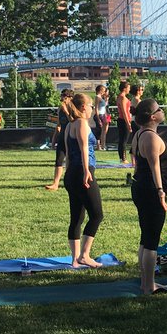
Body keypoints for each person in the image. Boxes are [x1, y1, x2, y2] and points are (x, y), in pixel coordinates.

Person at [130, 97, 167, 294]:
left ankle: (145, 282)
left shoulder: (139, 134)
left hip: (140, 188)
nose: (162, 110)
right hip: (150, 190)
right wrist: (161, 194)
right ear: (154, 116)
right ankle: (149, 285)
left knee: (146, 237)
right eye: (160, 108)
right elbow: (155, 168)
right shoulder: (151, 138)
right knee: (151, 240)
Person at [61, 92, 104, 268]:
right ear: (83, 107)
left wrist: (69, 173)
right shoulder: (81, 123)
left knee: (77, 217)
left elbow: (68, 154)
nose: (93, 109)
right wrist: (87, 171)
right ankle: (84, 255)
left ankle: (75, 259)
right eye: (92, 106)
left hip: (72, 173)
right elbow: (84, 148)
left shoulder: (69, 125)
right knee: (97, 215)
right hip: (82, 172)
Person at [44, 88, 74, 191]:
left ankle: (71, 182)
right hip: (62, 137)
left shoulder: (73, 108)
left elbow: (73, 121)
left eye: (65, 97)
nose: (63, 100)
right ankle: (55, 184)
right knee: (59, 160)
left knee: (70, 161)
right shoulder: (60, 109)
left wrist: (66, 111)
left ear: (70, 98)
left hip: (71, 137)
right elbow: (58, 125)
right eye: (62, 97)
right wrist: (53, 140)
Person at [115, 81, 132, 164]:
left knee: (123, 139)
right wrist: (128, 123)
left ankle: (122, 157)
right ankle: (123, 158)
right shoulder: (122, 97)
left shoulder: (122, 97)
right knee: (123, 140)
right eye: (128, 88)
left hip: (124, 120)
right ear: (125, 88)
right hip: (123, 120)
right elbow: (124, 111)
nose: (129, 89)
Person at [95, 84, 111, 151]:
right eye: (103, 90)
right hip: (100, 115)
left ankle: (103, 145)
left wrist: (106, 99)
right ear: (100, 90)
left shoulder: (101, 97)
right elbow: (96, 108)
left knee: (104, 131)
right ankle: (98, 146)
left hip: (103, 114)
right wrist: (98, 118)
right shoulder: (97, 97)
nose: (104, 92)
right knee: (99, 131)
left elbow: (104, 106)